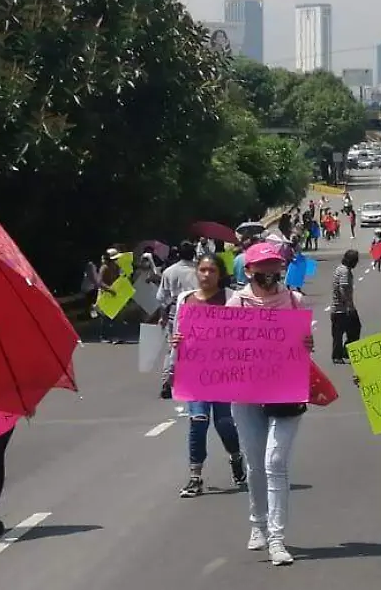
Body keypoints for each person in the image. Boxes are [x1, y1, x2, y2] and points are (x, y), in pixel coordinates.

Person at [228, 242, 314, 566]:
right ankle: (257, 523)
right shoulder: (235, 303)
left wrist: (307, 343)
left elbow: (303, 347)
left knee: (274, 462)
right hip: (246, 393)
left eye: (274, 266)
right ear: (248, 270)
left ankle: (277, 539)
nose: (268, 273)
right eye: (261, 267)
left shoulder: (295, 301)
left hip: (285, 394)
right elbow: (221, 348)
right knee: (254, 464)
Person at [165, 253, 246, 498]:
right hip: (194, 371)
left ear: (220, 274)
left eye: (212, 270)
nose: (206, 275)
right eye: (202, 270)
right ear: (196, 273)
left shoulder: (232, 298)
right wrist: (173, 360)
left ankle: (235, 456)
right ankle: (195, 476)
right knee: (198, 420)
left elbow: (245, 334)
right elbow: (176, 334)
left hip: (223, 372)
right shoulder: (185, 300)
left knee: (224, 423)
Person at [330, 249, 362, 364]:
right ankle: (338, 355)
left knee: (346, 331)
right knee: (347, 331)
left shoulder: (341, 268)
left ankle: (343, 352)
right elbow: (343, 288)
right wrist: (348, 305)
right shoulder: (345, 271)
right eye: (356, 261)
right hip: (341, 309)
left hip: (340, 308)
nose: (356, 263)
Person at [97, 248, 124, 343]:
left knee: (115, 316)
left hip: (113, 294)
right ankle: (104, 336)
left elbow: (117, 279)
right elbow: (99, 282)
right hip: (105, 294)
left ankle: (114, 336)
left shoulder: (116, 267)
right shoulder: (104, 267)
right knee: (105, 317)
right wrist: (109, 289)